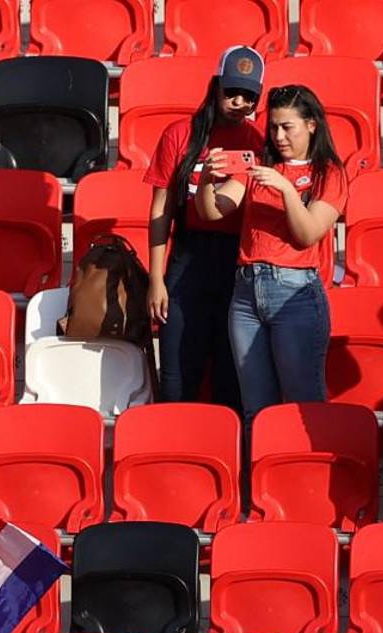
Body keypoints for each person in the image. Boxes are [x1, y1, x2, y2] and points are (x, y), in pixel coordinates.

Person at [195, 84, 349, 427]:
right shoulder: (260, 165)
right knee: (255, 409)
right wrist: (207, 181)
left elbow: (308, 233)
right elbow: (214, 211)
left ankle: (303, 475)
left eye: (287, 127)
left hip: (294, 292)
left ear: (311, 125)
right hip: (246, 290)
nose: (279, 136)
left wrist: (287, 190)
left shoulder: (329, 173)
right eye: (274, 127)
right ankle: (260, 477)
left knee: (302, 405)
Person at [144, 45, 266, 410]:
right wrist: (156, 279)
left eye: (248, 95)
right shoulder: (180, 134)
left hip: (237, 259)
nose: (239, 102)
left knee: (230, 372)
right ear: (215, 86)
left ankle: (224, 461)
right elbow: (161, 209)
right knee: (179, 369)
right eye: (232, 91)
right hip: (189, 254)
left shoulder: (256, 141)